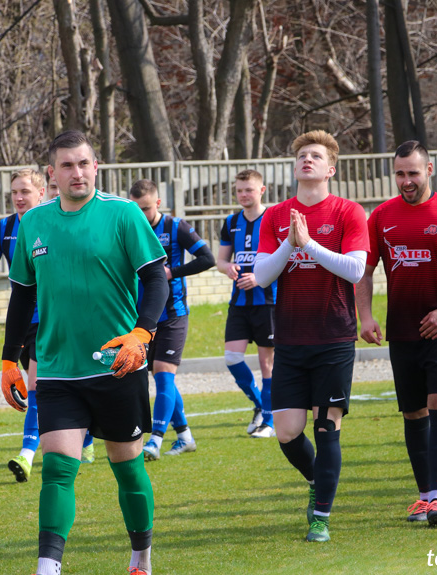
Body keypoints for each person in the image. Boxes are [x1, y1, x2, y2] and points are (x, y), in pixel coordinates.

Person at [0, 130, 168, 575]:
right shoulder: (33, 223)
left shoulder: (124, 215)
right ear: (51, 174)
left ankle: (141, 558)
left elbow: (157, 279)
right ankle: (47, 567)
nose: (78, 172)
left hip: (118, 363)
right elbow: (21, 296)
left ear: (97, 167)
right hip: (56, 369)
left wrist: (142, 334)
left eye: (84, 163)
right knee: (57, 469)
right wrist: (9, 360)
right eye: (67, 166)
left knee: (127, 469)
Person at [358, 141, 437, 527]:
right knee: (414, 411)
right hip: (401, 330)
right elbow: (363, 270)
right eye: (400, 173)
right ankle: (424, 496)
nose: (406, 181)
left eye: (413, 173)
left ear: (429, 170)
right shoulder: (381, 216)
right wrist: (365, 316)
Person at [253, 130, 369, 543]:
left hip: (334, 336)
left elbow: (355, 272)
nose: (307, 160)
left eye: (315, 156)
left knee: (326, 427)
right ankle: (318, 481)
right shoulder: (276, 214)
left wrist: (310, 244)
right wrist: (290, 242)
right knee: (286, 430)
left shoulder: (349, 212)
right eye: (301, 154)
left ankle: (320, 517)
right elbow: (263, 275)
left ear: (330, 168)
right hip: (289, 338)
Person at [0, 168, 94, 483]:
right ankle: (85, 436)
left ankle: (27, 454)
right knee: (48, 386)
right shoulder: (4, 228)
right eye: (15, 193)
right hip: (23, 320)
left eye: (25, 192)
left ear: (41, 194)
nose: (19, 198)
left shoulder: (55, 222)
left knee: (35, 386)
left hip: (55, 318)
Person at [128, 179, 215, 460]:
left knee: (164, 374)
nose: (141, 215)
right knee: (160, 375)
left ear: (158, 204)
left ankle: (154, 440)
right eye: (136, 209)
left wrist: (172, 272)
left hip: (174, 312)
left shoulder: (176, 227)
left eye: (146, 208)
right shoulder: (129, 230)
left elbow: (207, 258)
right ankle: (185, 436)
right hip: (144, 317)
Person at [217, 169, 277, 437]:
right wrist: (227, 267)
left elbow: (285, 259)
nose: (243, 195)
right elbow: (220, 261)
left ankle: (270, 423)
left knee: (267, 364)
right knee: (232, 358)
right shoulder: (231, 222)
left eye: (249, 189)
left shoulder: (274, 219)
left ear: (262, 190)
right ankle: (259, 405)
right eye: (240, 190)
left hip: (267, 302)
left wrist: (259, 276)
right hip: (238, 303)